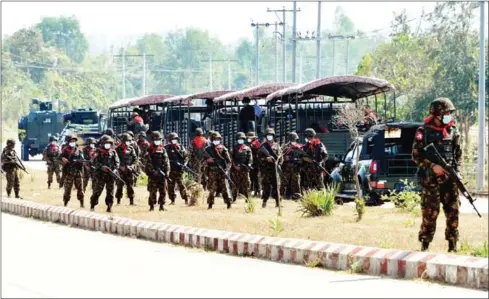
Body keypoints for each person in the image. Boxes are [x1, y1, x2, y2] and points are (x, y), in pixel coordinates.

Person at [412, 98, 462, 253]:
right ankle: (425, 245)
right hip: (430, 181)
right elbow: (416, 156)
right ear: (436, 114)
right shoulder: (423, 132)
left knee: (453, 213)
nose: (449, 115)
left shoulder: (453, 131)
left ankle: (452, 246)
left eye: (449, 113)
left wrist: (456, 172)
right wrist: (432, 166)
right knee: (429, 215)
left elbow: (458, 155)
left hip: (449, 181)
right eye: (446, 113)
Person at [90, 135, 120, 212]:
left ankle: (109, 207)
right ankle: (92, 206)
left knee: (110, 193)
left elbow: (117, 162)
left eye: (109, 143)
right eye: (105, 143)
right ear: (102, 143)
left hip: (110, 176)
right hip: (100, 176)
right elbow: (94, 162)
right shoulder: (98, 152)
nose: (107, 144)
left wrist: (115, 169)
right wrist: (101, 167)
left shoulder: (113, 152)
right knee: (97, 192)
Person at [203, 132, 232, 209]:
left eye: (218, 139)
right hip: (212, 172)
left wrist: (226, 171)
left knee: (225, 188)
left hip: (222, 172)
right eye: (215, 139)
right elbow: (202, 162)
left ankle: (228, 203)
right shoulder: (207, 149)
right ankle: (210, 204)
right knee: (212, 189)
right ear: (212, 140)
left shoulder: (223, 149)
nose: (216, 140)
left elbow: (229, 162)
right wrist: (208, 161)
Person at [257, 128, 283, 208]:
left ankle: (278, 202)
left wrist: (279, 163)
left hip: (275, 168)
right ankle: (264, 201)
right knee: (266, 186)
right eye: (268, 135)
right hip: (266, 169)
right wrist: (266, 159)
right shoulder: (263, 146)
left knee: (276, 185)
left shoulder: (277, 145)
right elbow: (258, 158)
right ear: (266, 136)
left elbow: (281, 156)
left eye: (271, 135)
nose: (270, 137)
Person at [145, 131, 170, 211]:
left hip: (162, 174)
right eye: (156, 139)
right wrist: (153, 171)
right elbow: (148, 162)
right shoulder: (149, 150)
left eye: (159, 139)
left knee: (163, 190)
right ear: (152, 140)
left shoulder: (163, 149)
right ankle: (151, 206)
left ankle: (161, 206)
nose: (157, 141)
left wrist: (167, 171)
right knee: (152, 191)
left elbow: (166, 161)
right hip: (153, 175)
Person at [59, 135, 85, 207]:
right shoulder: (65, 151)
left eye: (74, 141)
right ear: (68, 142)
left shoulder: (79, 151)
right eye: (71, 141)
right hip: (68, 173)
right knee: (67, 190)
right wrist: (63, 159)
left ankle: (82, 204)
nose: (73, 143)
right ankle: (65, 204)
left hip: (78, 173)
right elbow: (58, 159)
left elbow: (83, 160)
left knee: (80, 189)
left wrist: (81, 162)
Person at [165, 132, 189, 205]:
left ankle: (186, 199)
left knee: (181, 185)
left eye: (175, 139)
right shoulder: (166, 148)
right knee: (170, 186)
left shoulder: (181, 147)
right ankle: (172, 200)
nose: (174, 140)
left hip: (179, 170)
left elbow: (186, 157)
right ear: (169, 140)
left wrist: (184, 164)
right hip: (170, 170)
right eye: (173, 139)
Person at [115, 133, 138, 205]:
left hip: (129, 170)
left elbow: (135, 159)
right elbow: (115, 160)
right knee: (119, 186)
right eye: (127, 141)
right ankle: (118, 201)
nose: (128, 142)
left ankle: (131, 201)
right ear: (122, 141)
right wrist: (120, 167)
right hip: (120, 171)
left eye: (129, 141)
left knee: (130, 186)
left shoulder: (131, 149)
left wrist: (132, 166)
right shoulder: (117, 149)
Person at [230, 132, 253, 203]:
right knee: (235, 185)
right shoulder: (234, 148)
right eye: (239, 139)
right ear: (237, 139)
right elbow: (231, 158)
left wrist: (248, 165)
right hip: (236, 170)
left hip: (244, 170)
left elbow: (250, 158)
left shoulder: (247, 148)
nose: (240, 140)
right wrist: (235, 166)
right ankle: (233, 199)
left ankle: (247, 199)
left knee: (247, 185)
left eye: (242, 139)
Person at [280, 132, 303, 200]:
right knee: (284, 182)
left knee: (296, 182)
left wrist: (298, 160)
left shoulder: (299, 147)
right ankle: (280, 196)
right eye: (293, 139)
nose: (294, 140)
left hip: (296, 167)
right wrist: (285, 158)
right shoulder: (285, 146)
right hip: (287, 167)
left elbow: (302, 157)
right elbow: (281, 156)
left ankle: (296, 197)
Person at [246, 131, 261, 197]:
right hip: (251, 163)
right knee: (251, 177)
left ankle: (257, 191)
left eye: (250, 137)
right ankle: (252, 190)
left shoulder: (256, 143)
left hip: (256, 163)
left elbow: (258, 152)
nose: (249, 138)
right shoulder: (249, 143)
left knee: (256, 178)